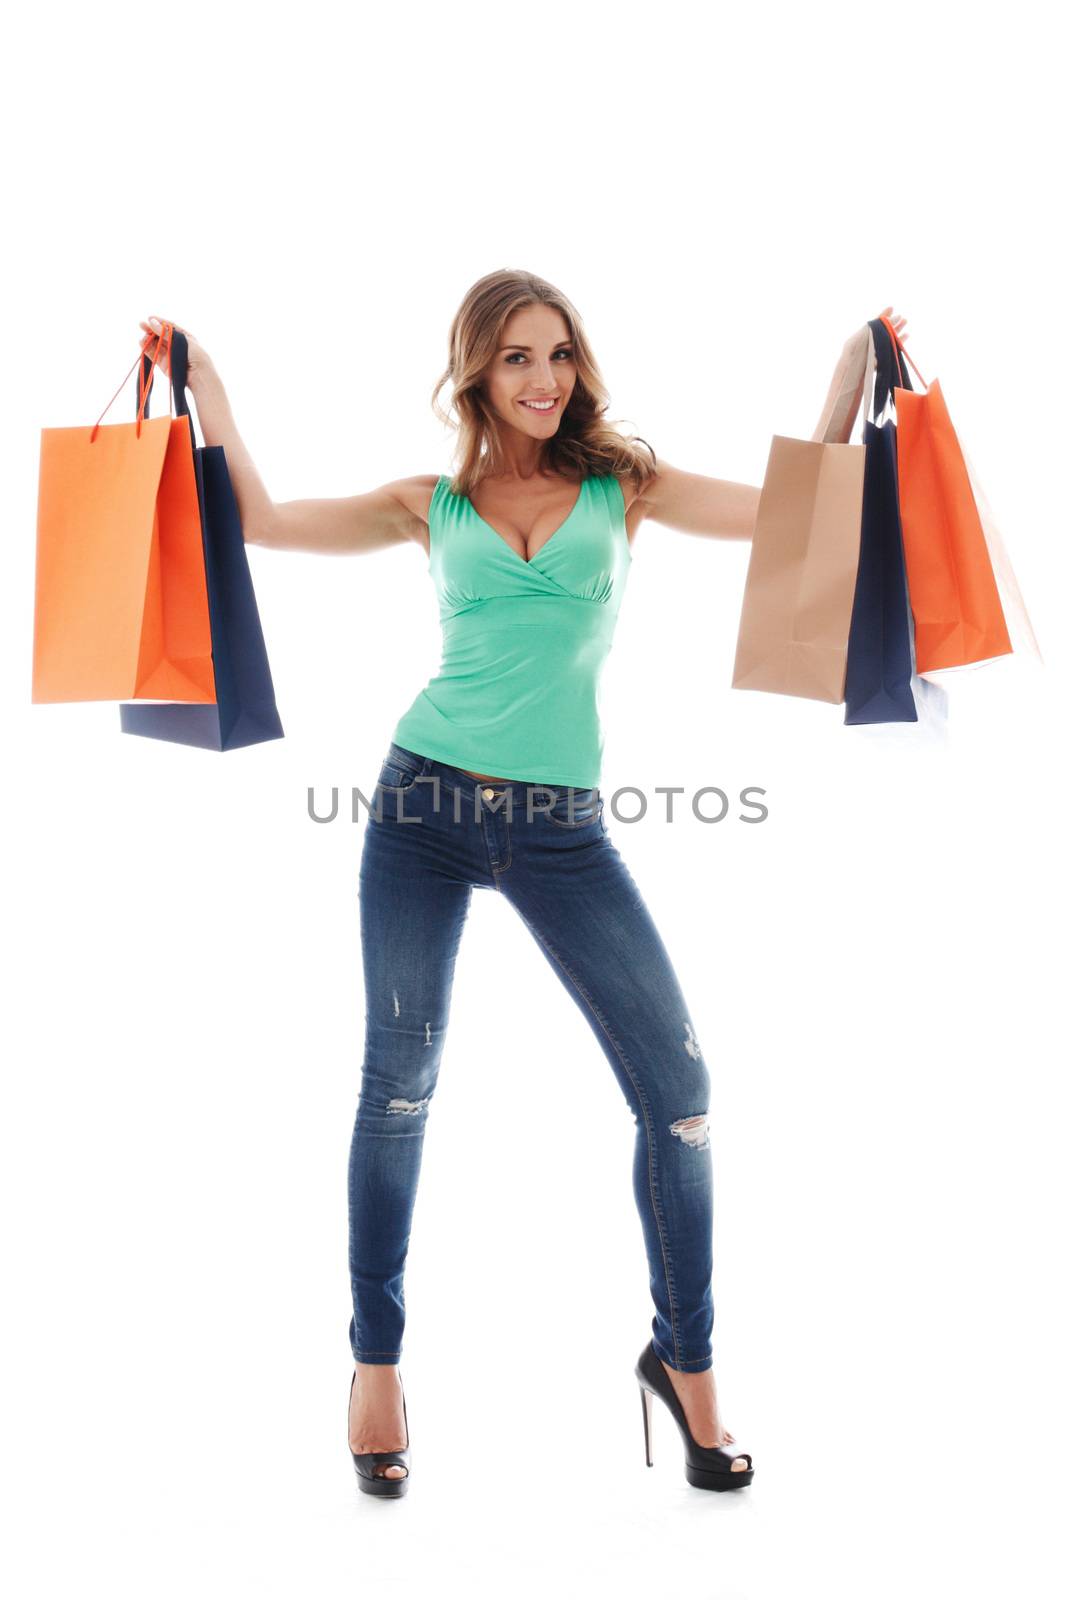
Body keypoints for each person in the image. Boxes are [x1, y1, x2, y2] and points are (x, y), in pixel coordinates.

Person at [139, 278, 909, 1497]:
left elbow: (791, 518)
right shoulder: (427, 502)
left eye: (557, 355)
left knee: (680, 1092)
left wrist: (845, 377)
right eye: (515, 360)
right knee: (398, 1086)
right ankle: (375, 1365)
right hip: (419, 808)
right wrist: (202, 378)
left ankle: (684, 1360)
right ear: (476, 376)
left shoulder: (624, 489)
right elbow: (265, 523)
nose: (543, 380)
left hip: (561, 830)